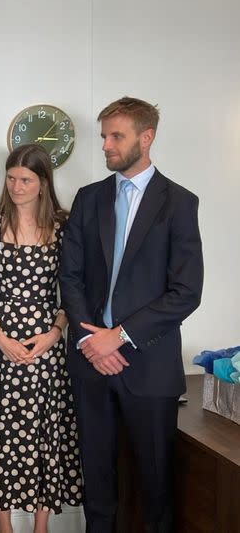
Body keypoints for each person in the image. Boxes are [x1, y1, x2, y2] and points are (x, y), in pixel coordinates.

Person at [59, 97, 204, 533]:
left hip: (150, 366)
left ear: (146, 137)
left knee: (155, 487)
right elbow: (70, 277)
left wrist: (117, 336)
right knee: (97, 486)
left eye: (115, 135)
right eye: (103, 135)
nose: (105, 144)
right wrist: (90, 341)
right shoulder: (88, 199)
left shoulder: (179, 203)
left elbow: (186, 292)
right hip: (90, 363)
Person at [0, 144, 82, 533]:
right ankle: (3, 523)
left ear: (43, 183)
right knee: (0, 429)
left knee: (42, 430)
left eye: (26, 179)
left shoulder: (65, 227)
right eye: (11, 177)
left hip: (46, 344)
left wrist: (56, 332)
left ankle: (41, 524)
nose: (16, 186)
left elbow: (72, 288)